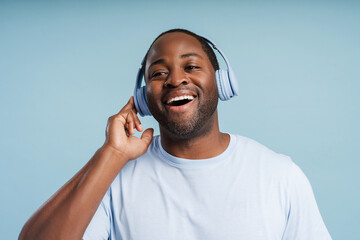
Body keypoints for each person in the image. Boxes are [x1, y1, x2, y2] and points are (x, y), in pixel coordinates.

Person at [19, 29, 331, 240]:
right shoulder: (114, 177)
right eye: (158, 73)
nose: (175, 79)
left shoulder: (280, 175)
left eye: (191, 66)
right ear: (143, 97)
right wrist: (110, 155)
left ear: (222, 83)